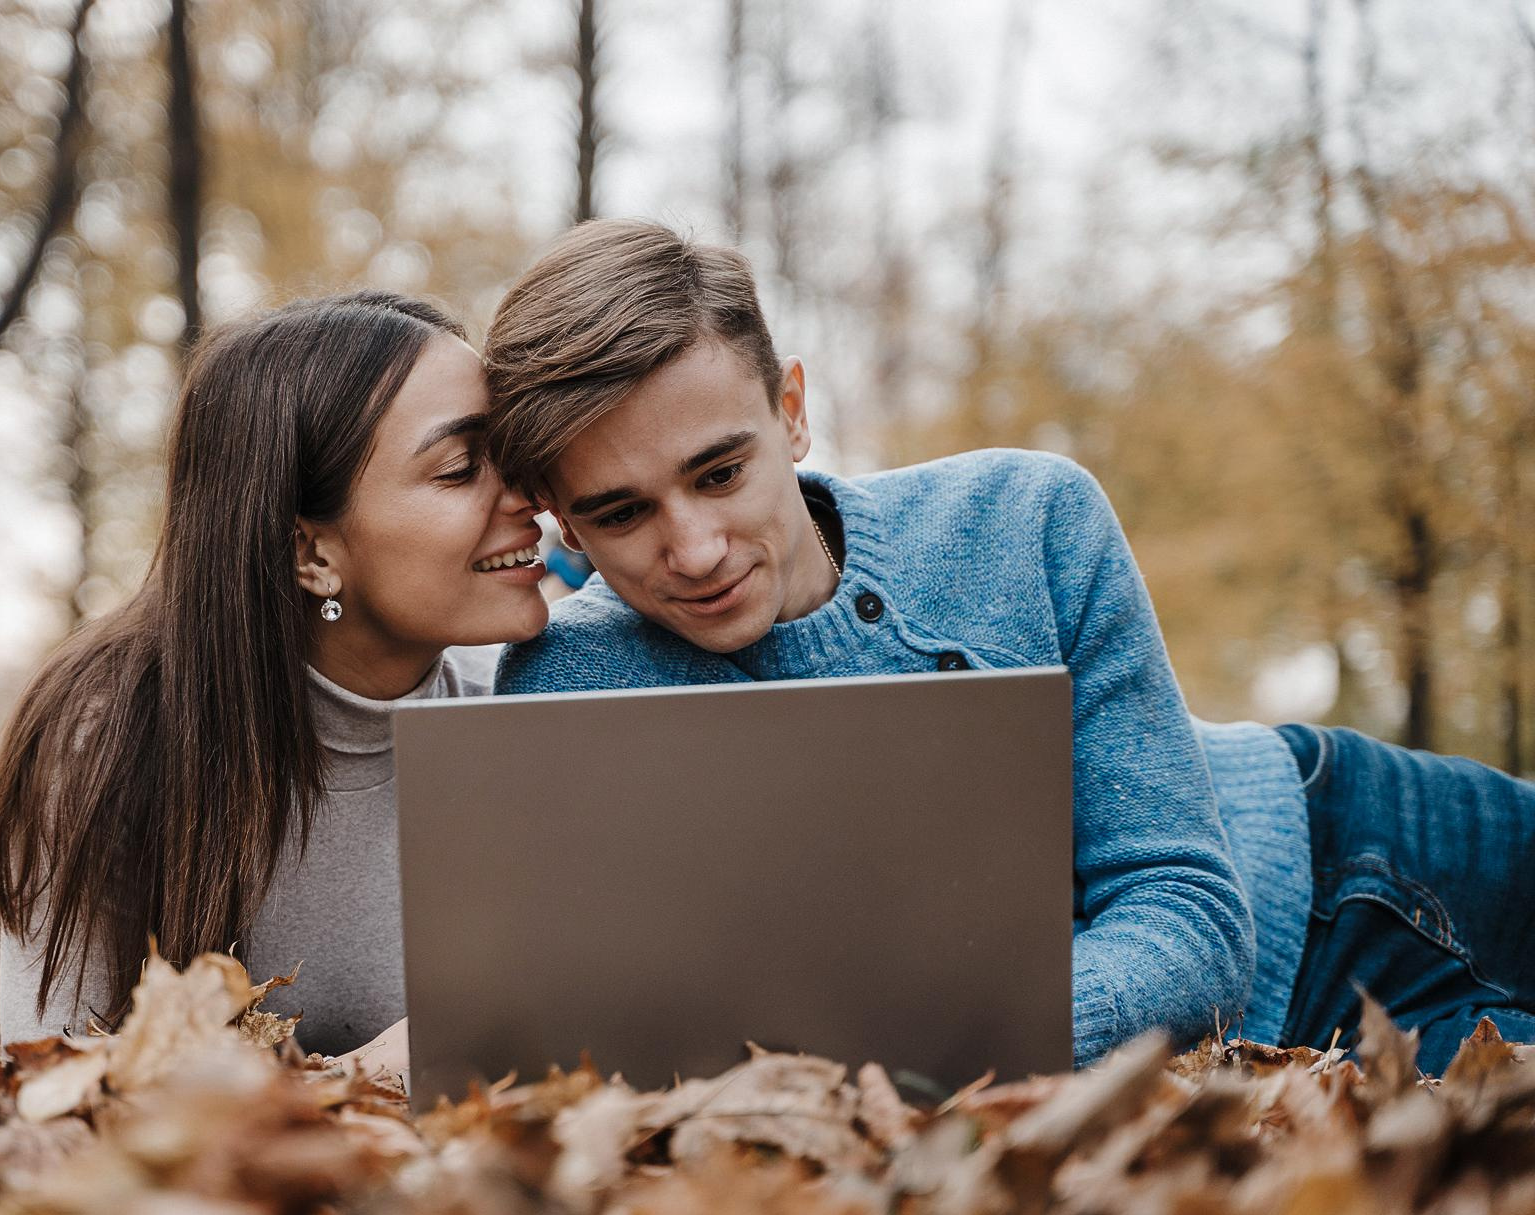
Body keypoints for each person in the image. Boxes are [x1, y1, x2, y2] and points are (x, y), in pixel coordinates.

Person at [483, 218, 1535, 1076]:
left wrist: (915, 1044)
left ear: (791, 412)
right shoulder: (571, 688)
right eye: (622, 512)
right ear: (564, 522)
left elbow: (1188, 916)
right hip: (1279, 1037)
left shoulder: (1021, 520)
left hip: (1337, 830)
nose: (695, 548)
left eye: (720, 473)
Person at [0, 292, 549, 1069]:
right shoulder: (107, 741)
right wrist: (367, 1078)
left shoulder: (528, 706)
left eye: (511, 455)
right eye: (459, 469)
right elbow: (49, 1086)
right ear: (311, 554)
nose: (530, 499)